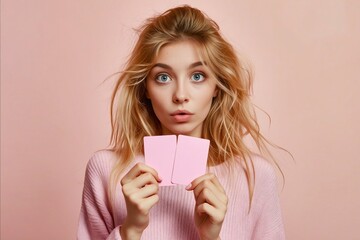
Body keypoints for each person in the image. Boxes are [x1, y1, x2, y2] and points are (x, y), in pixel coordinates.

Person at [77, 5, 285, 240]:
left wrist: (212, 238)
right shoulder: (107, 170)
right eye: (163, 77)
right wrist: (130, 231)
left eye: (197, 76)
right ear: (146, 87)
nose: (180, 95)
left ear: (216, 85)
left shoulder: (255, 177)